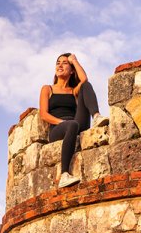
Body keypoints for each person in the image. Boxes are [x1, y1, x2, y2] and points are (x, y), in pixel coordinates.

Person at [39, 52, 107, 188]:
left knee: (86, 85)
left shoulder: (72, 91)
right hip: (58, 128)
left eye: (64, 63)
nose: (60, 65)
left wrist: (74, 60)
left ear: (71, 71)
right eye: (58, 62)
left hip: (76, 123)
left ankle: (96, 116)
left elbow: (84, 79)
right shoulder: (48, 89)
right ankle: (64, 174)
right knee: (71, 124)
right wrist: (62, 122)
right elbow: (43, 114)